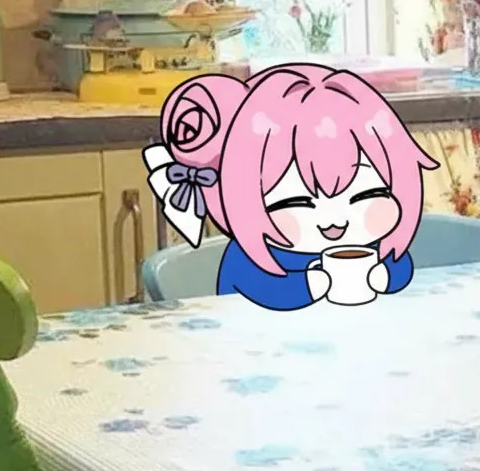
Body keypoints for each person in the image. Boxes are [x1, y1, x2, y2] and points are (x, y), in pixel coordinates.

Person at [143, 63, 439, 310]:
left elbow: (399, 263)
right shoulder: (249, 258)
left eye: (364, 195)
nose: (334, 219)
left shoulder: (362, 244)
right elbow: (252, 287)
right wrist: (310, 286)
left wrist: (384, 276)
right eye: (298, 202)